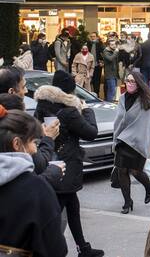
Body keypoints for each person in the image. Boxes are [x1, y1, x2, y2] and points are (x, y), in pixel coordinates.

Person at [34, 69, 103, 257]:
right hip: (67, 165)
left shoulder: (42, 106)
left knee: (72, 206)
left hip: (49, 160)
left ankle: (84, 248)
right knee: (56, 214)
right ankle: (47, 250)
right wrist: (87, 110)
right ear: (68, 91)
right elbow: (91, 133)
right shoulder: (69, 112)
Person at [0, 105, 68, 257]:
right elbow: (56, 249)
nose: (35, 150)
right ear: (17, 144)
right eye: (33, 142)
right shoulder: (36, 190)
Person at [113, 70, 150, 214]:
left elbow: (146, 125)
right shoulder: (123, 98)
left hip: (137, 141)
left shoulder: (146, 101)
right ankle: (127, 202)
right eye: (128, 80)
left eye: (133, 81)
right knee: (121, 171)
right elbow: (119, 120)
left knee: (135, 171)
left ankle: (148, 187)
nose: (129, 84)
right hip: (122, 140)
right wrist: (116, 137)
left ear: (139, 84)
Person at [85, 32, 104, 97]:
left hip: (97, 64)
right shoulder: (88, 44)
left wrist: (101, 61)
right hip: (89, 65)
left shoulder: (100, 44)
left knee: (97, 79)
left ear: (97, 37)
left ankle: (97, 93)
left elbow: (102, 53)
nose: (92, 38)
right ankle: (90, 94)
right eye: (91, 36)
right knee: (89, 79)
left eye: (94, 36)